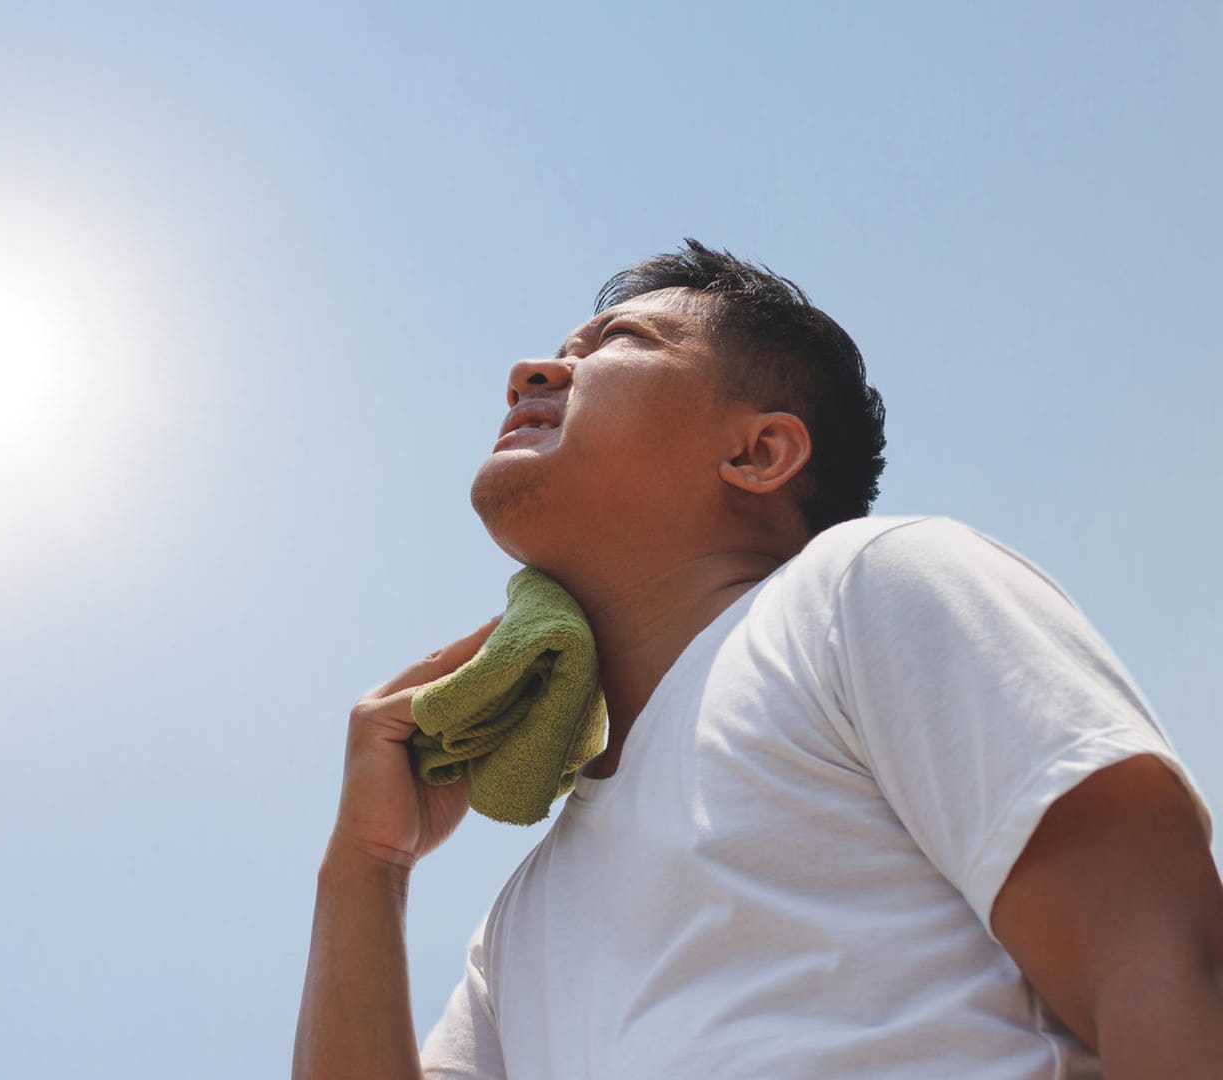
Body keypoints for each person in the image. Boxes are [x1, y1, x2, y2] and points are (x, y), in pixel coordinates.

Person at [291, 240, 1223, 1079]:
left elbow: (1165, 963)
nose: (531, 371)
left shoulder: (865, 590)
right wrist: (368, 866)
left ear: (759, 451)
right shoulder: (520, 929)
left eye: (616, 342)